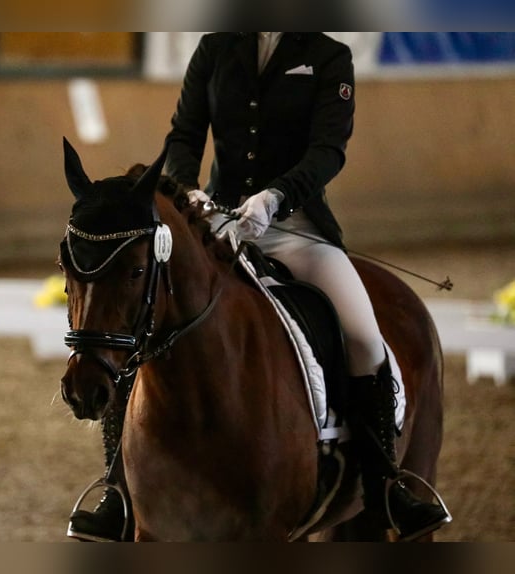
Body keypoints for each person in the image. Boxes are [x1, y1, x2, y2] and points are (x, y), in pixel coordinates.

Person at [68, 32, 451, 542]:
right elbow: (183, 136)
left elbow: (327, 150)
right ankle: (117, 493)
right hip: (216, 227)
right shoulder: (215, 48)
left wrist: (277, 196)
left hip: (297, 232)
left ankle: (387, 484)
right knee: (137, 331)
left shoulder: (327, 57)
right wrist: (190, 196)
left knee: (363, 339)